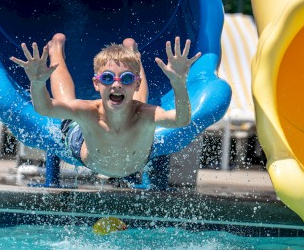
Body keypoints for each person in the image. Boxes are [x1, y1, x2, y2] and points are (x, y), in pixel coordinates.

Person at [10, 33, 201, 178]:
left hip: (137, 150)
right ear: (96, 83)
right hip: (83, 149)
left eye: (126, 78)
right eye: (108, 78)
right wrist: (37, 82)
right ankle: (55, 49)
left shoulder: (145, 115)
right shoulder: (88, 112)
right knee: (67, 107)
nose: (116, 84)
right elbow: (46, 108)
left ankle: (133, 55)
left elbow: (181, 119)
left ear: (137, 83)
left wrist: (178, 83)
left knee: (139, 107)